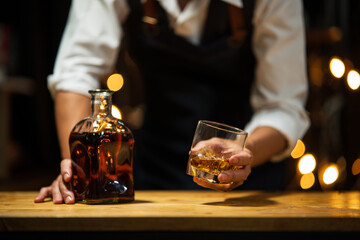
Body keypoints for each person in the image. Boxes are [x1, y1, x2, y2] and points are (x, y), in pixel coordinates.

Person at [35, 0, 310, 204]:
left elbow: (283, 107)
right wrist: (79, 171)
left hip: (251, 184)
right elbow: (76, 75)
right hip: (156, 172)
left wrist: (241, 153)